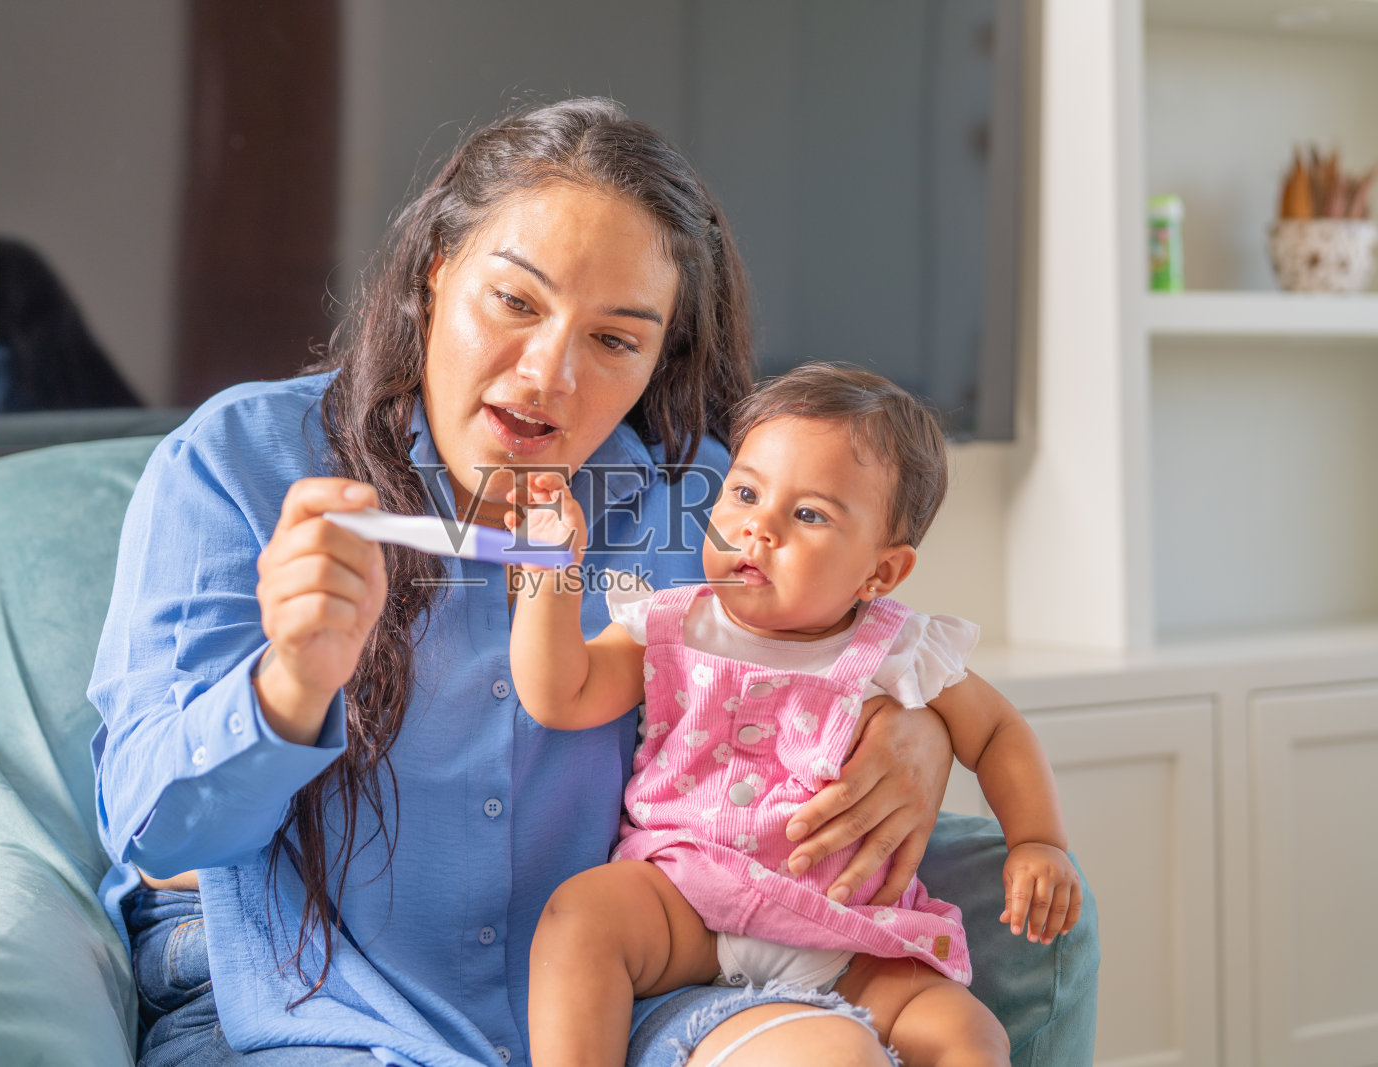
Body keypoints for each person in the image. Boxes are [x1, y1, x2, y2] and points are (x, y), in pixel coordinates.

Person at [90, 99, 1090, 1067]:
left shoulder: (710, 500)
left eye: (614, 338)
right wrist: (292, 686)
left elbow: (844, 639)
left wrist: (909, 727)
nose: (547, 372)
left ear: (658, 358)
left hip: (638, 993)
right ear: (438, 272)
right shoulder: (239, 462)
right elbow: (160, 828)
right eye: (514, 300)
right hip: (326, 1002)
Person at [510, 365, 1083, 1067]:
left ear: (880, 573)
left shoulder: (897, 649)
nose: (760, 527)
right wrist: (548, 576)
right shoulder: (670, 625)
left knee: (970, 1035)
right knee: (580, 918)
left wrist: (1039, 841)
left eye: (809, 514)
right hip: (688, 898)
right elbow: (560, 692)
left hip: (851, 933)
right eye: (746, 492)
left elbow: (996, 730)